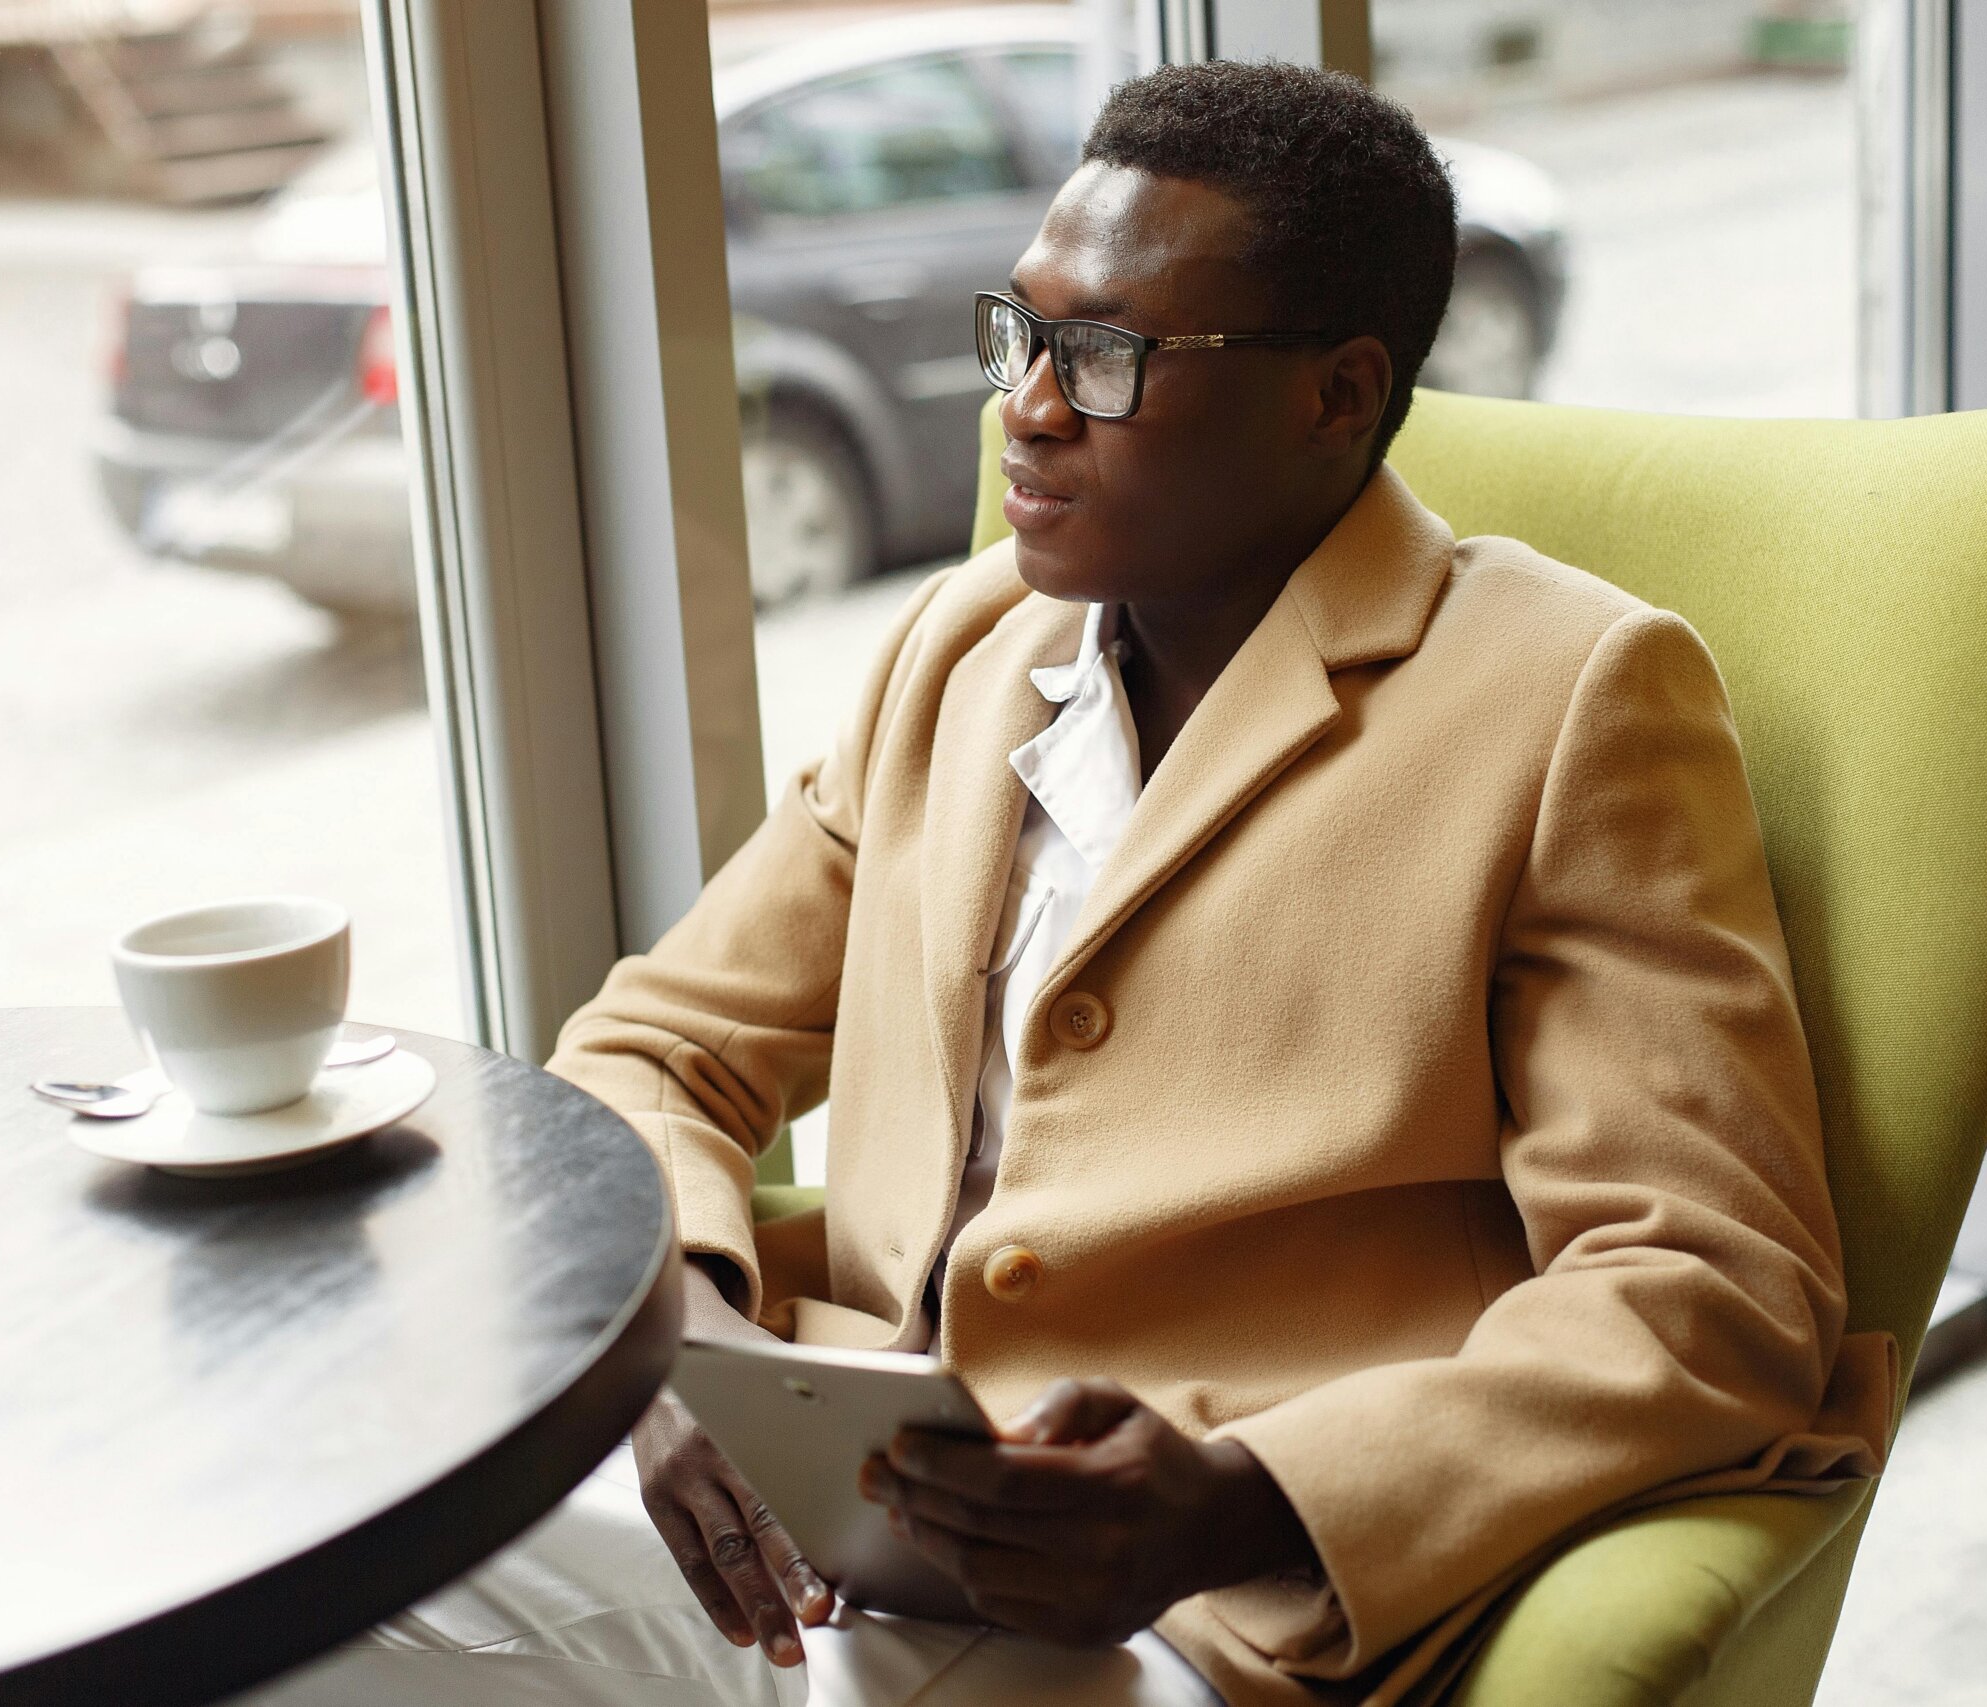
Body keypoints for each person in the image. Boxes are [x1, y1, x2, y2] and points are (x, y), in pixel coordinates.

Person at [243, 59, 1893, 1707]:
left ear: (1337, 394)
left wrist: (1242, 1499)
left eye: (1106, 358)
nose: (1025, 405)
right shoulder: (958, 646)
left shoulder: (1571, 697)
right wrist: (690, 1351)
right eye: (1018, 333)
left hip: (1175, 1598)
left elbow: (1712, 1285)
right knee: (301, 1592)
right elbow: (658, 1044)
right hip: (819, 1510)